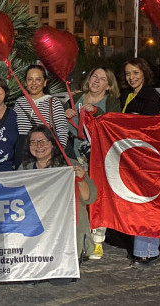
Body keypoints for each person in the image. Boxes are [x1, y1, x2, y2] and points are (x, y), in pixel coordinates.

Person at [19, 125, 96, 270]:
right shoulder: (25, 169)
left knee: (61, 278)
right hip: (36, 235)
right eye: (33, 142)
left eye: (43, 141)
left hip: (66, 234)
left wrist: (80, 179)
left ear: (53, 144)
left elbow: (89, 198)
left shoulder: (69, 166)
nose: (38, 146)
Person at [64, 66, 120, 260]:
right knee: (79, 196)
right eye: (94, 76)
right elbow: (63, 123)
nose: (96, 81)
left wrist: (96, 113)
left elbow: (115, 123)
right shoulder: (76, 97)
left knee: (96, 195)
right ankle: (80, 237)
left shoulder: (111, 101)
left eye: (102, 79)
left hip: (99, 157)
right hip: (75, 155)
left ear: (109, 85)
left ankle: (97, 240)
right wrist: (67, 113)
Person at [118, 58, 160, 267]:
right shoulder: (127, 96)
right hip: (130, 156)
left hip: (146, 156)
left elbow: (147, 126)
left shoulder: (151, 96)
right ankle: (139, 247)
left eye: (135, 72)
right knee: (135, 202)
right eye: (128, 73)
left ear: (144, 73)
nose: (132, 77)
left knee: (146, 202)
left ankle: (148, 249)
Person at [14, 64, 70, 169]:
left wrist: (57, 153)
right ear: (25, 83)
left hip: (44, 152)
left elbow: (62, 130)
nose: (34, 83)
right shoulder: (19, 102)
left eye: (38, 79)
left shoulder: (53, 102)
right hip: (22, 151)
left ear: (44, 83)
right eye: (30, 79)